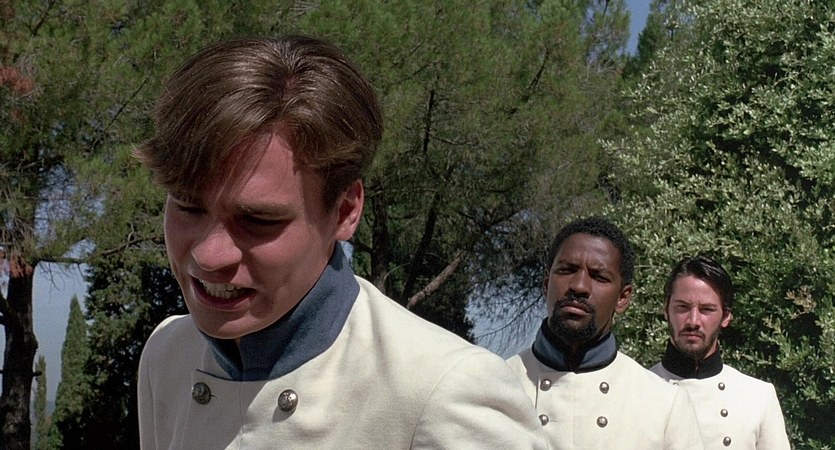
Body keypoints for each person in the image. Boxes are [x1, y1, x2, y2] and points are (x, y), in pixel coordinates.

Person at [135, 35, 547, 449]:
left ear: (346, 211)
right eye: (187, 206)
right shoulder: (168, 355)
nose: (208, 255)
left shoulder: (443, 391)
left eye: (258, 221)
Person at [506, 216, 704, 449]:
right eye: (567, 270)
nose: (579, 286)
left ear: (623, 298)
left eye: (599, 277)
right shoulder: (497, 384)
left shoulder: (665, 406)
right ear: (546, 283)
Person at [650, 255, 791, 449]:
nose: (693, 321)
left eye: (706, 309)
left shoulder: (758, 397)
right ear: (666, 309)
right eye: (683, 307)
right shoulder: (637, 392)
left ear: (726, 316)